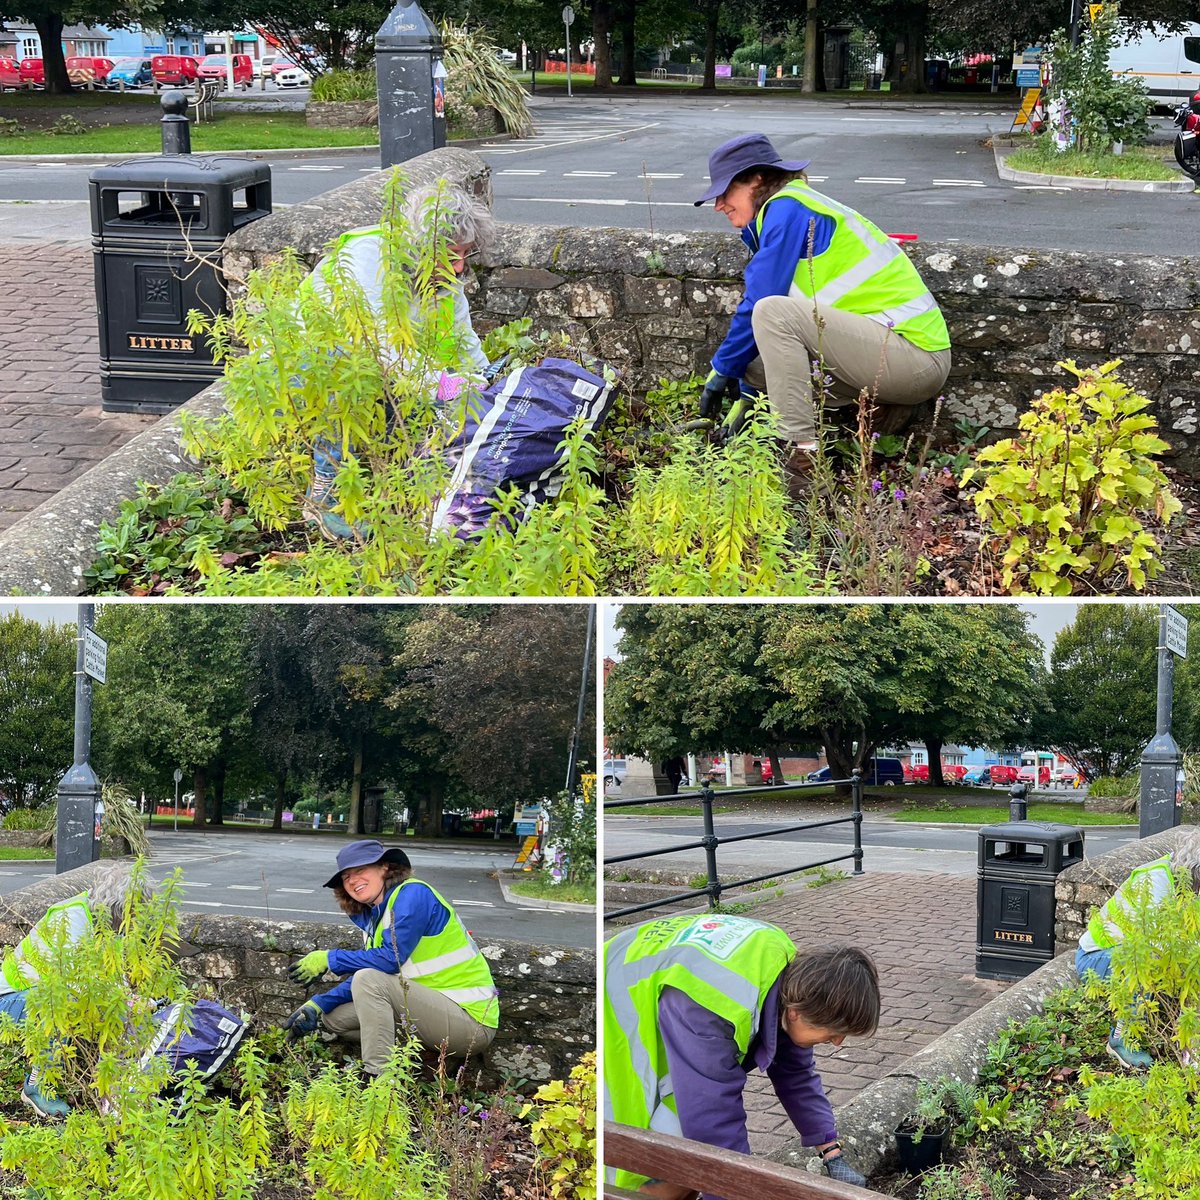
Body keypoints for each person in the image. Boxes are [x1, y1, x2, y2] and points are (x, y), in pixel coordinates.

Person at [693, 132, 952, 495]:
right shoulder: (788, 208)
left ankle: (803, 469)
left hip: (915, 358)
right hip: (885, 356)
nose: (719, 204)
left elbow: (761, 303)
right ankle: (869, 420)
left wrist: (721, 370)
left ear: (756, 179)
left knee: (771, 315)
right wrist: (744, 400)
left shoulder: (787, 208)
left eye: (724, 192)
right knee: (755, 363)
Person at [604, 912, 878, 1198]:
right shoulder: (714, 1005)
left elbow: (795, 1073)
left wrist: (831, 1151)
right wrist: (735, 1190)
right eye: (834, 1032)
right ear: (797, 1013)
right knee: (643, 1153)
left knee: (680, 1148)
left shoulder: (783, 967)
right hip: (615, 1014)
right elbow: (712, 1118)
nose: (837, 1042)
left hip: (654, 992)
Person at [302, 181, 497, 540]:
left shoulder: (444, 281)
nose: (458, 267)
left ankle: (392, 484)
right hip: (314, 367)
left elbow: (464, 339)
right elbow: (380, 350)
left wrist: (483, 381)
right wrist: (445, 385)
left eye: (465, 255)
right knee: (345, 369)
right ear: (420, 246)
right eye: (451, 255)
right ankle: (325, 495)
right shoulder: (367, 259)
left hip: (384, 372)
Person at [282, 840, 499, 1075]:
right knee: (335, 1019)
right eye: (346, 877)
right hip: (430, 1012)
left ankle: (379, 1078)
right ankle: (409, 1057)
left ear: (385, 867)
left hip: (470, 1022)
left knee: (367, 980)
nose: (352, 880)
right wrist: (319, 1003)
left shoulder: (413, 893)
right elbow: (378, 976)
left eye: (359, 870)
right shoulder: (376, 916)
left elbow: (389, 961)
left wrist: (331, 958)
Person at [0, 863, 147, 1119]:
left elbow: (111, 976)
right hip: (10, 1000)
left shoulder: (105, 924)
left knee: (122, 1010)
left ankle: (117, 1092)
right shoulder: (71, 918)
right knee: (65, 1002)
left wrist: (129, 1000)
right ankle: (38, 1086)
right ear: (117, 908)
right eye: (132, 913)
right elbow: (71, 984)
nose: (134, 921)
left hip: (39, 996)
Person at [1075, 829, 1200, 1068]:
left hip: (1133, 952)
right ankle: (1121, 1040)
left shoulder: (1189, 885)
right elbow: (1158, 945)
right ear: (1193, 873)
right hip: (1097, 957)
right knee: (1147, 963)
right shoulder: (1155, 881)